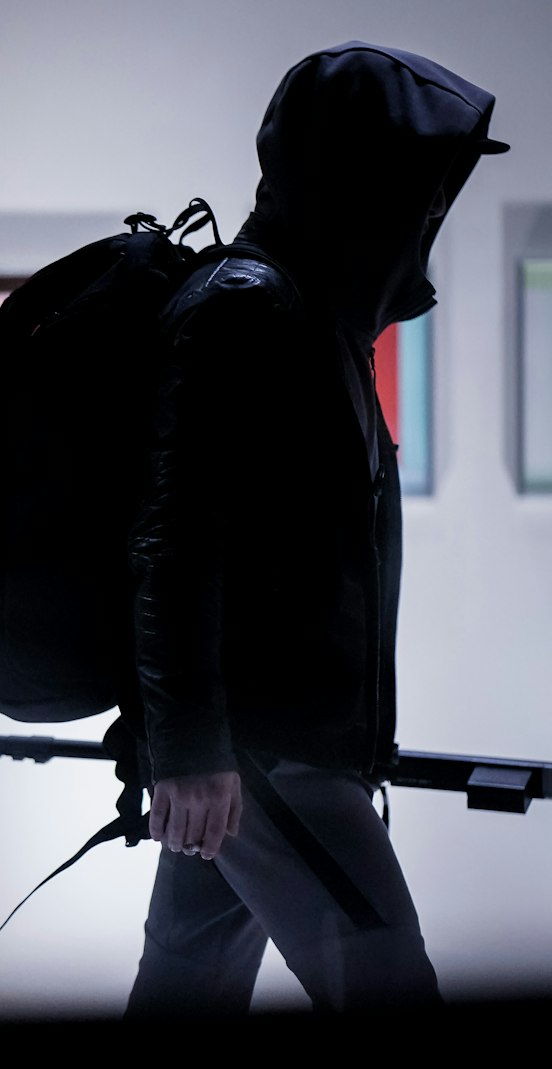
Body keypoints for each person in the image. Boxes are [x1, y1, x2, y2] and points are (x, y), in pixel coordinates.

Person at [124, 41, 510, 1015]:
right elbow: (173, 538)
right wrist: (188, 747)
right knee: (386, 981)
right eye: (416, 187)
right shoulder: (247, 306)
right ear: (354, 177)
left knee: (183, 993)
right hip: (262, 757)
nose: (428, 212)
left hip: (274, 751)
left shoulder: (313, 320)